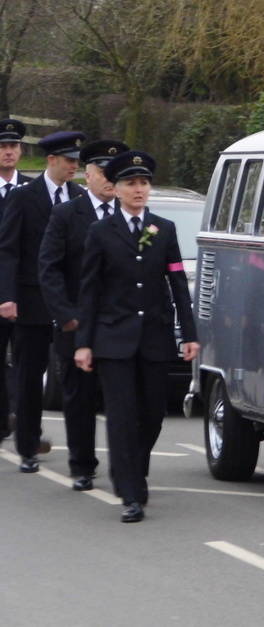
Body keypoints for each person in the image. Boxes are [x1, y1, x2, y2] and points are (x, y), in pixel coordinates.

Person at [74, 151, 199, 523]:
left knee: (154, 413)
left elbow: (177, 281)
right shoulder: (99, 232)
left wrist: (189, 334)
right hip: (113, 339)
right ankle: (129, 490)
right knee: (122, 415)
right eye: (131, 183)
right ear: (117, 189)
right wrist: (84, 341)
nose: (139, 189)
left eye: (144, 183)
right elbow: (89, 289)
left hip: (154, 338)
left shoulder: (164, 228)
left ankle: (134, 467)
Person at [38, 140, 128, 491]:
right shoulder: (66, 215)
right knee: (79, 397)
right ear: (87, 174)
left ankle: (127, 467)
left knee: (123, 400)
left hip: (119, 324)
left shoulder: (131, 217)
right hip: (77, 322)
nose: (108, 179)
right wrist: (67, 316)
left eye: (113, 172)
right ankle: (82, 465)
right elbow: (49, 269)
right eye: (102, 172)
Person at [0, 130, 86, 471]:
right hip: (31, 300)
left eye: (77, 162)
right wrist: (7, 296)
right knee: (29, 373)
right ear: (51, 161)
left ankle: (80, 451)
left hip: (68, 302)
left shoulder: (78, 196)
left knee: (72, 376)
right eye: (68, 161)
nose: (73, 168)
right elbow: (8, 250)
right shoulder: (25, 196)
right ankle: (28, 445)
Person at [0, 118, 33, 442]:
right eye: (3, 147)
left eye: (13, 147)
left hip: (22, 292)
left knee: (25, 361)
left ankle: (22, 424)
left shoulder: (29, 190)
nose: (8, 152)